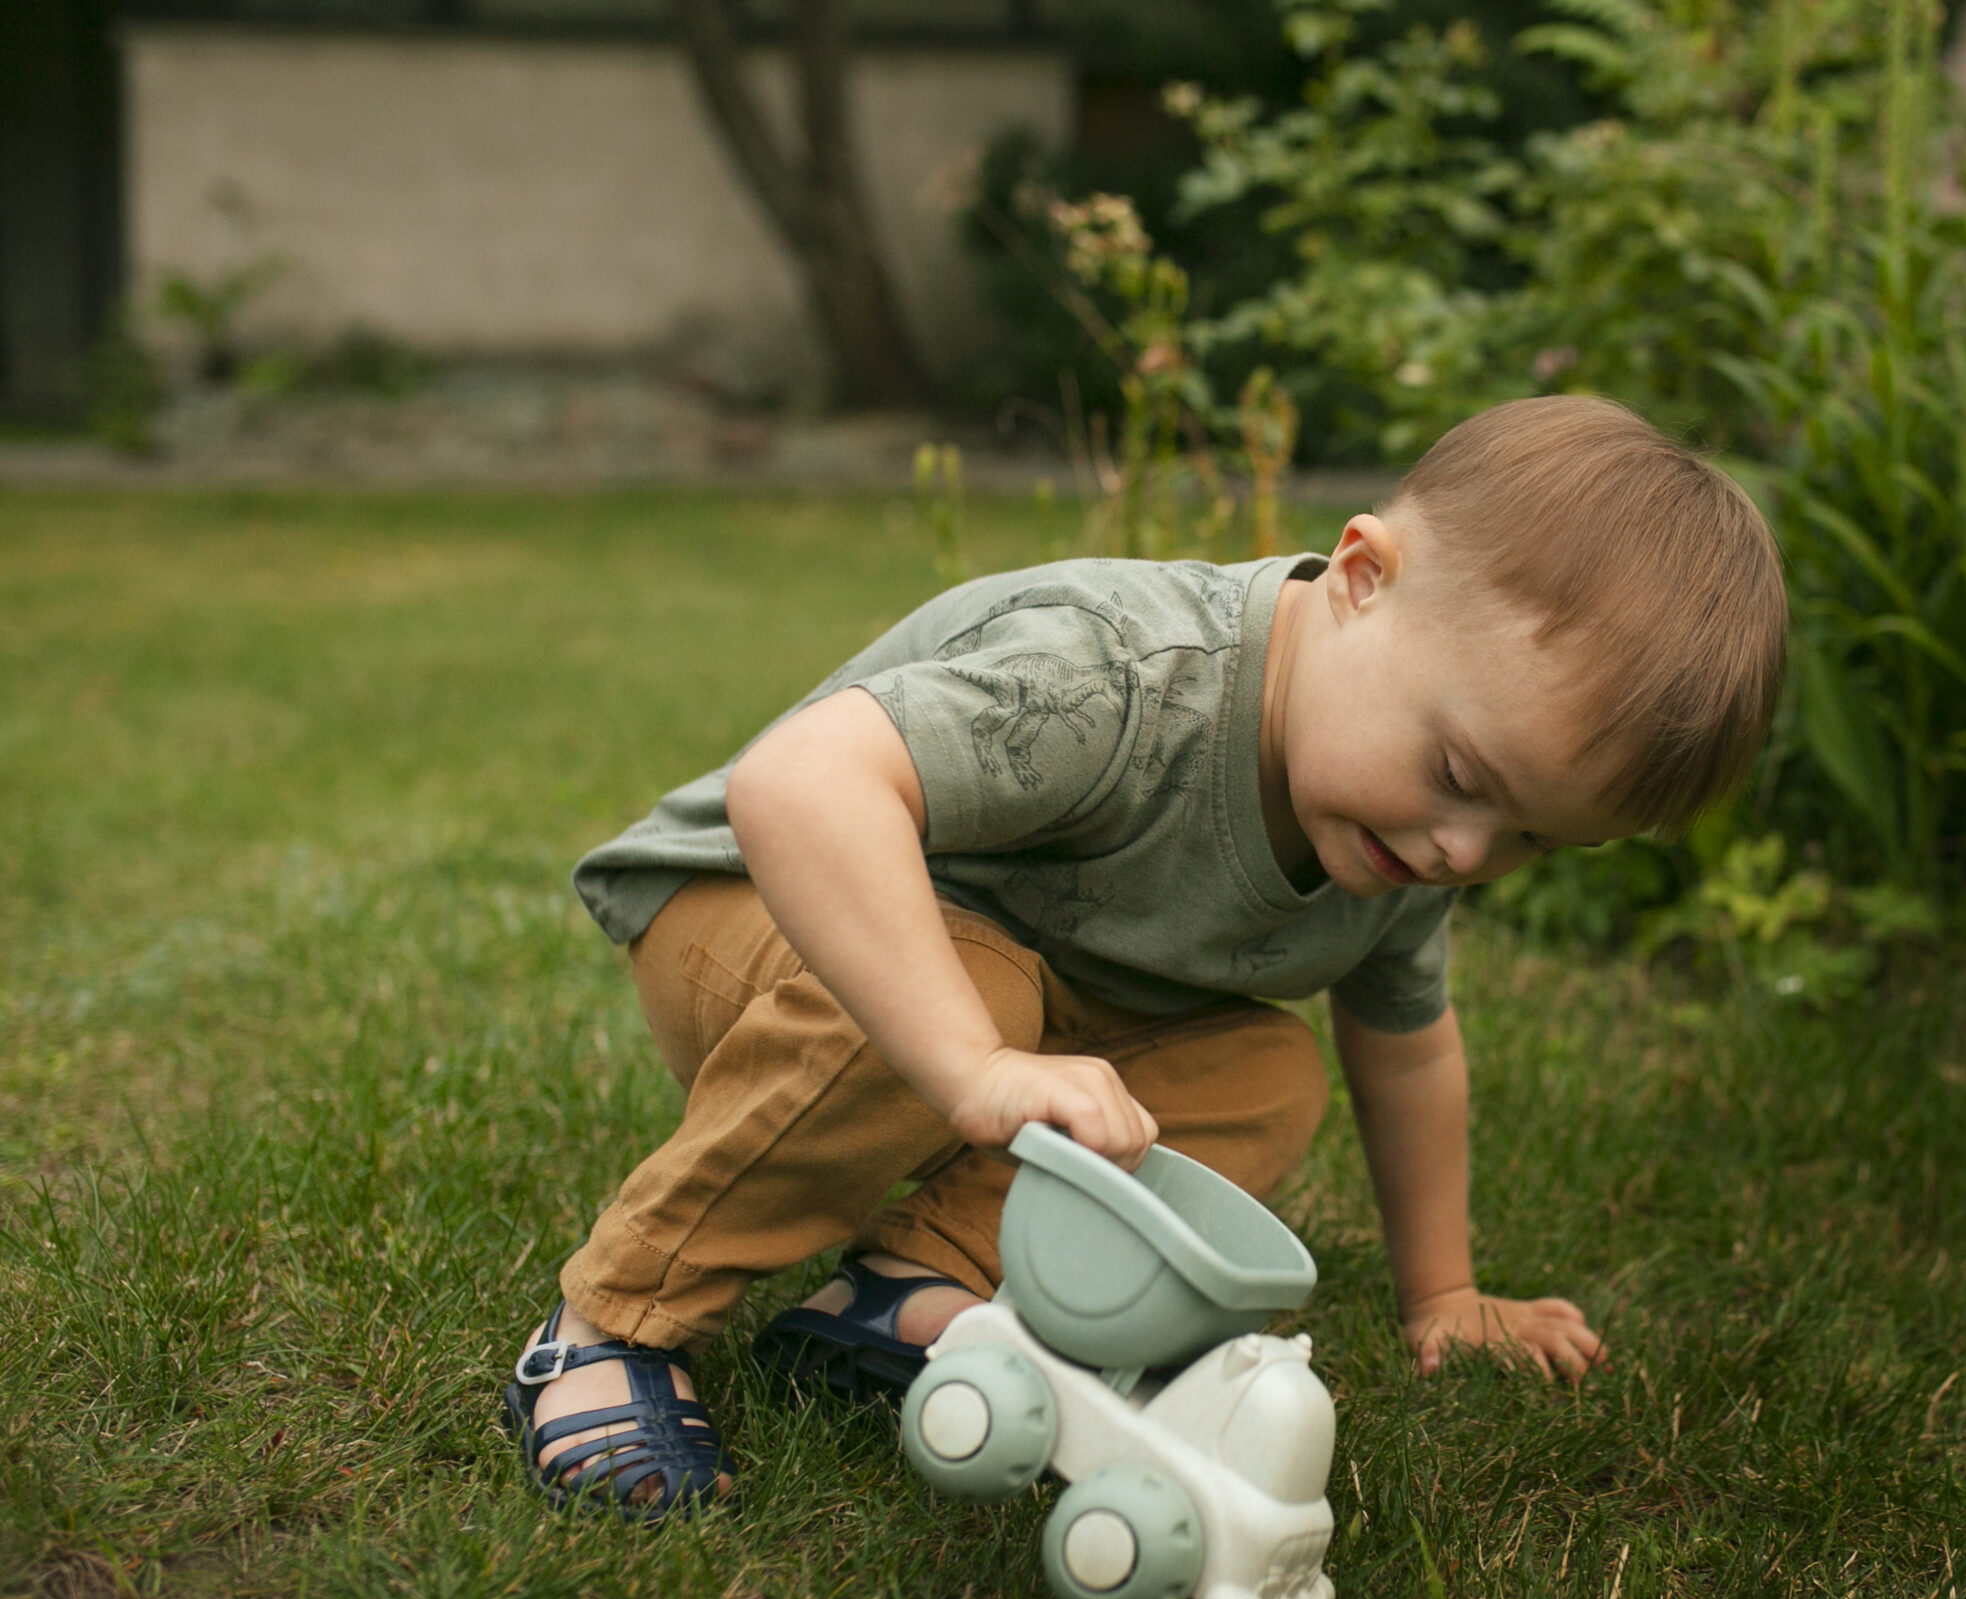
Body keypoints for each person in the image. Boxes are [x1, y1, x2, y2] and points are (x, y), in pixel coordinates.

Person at [503, 395, 1789, 1515]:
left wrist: (1441, 1295)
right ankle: (611, 1326)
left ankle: (902, 1293)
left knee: (1262, 1074)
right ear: (1360, 577)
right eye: (1459, 777)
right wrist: (970, 1064)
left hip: (1011, 999)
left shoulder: (1401, 832)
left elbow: (1406, 1051)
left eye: (1528, 840)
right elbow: (798, 786)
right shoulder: (1120, 678)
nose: (1463, 851)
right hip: (756, 921)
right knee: (986, 994)